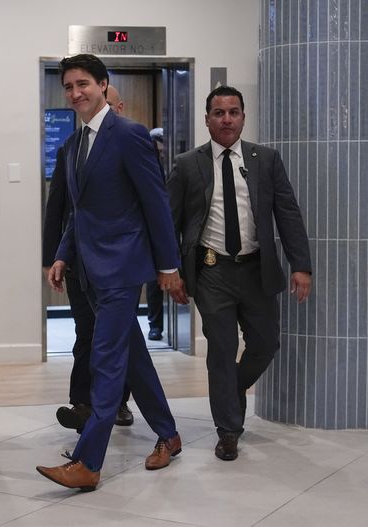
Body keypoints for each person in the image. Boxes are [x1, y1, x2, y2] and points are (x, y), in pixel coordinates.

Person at [37, 55, 182, 492]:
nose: (76, 93)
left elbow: (155, 204)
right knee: (132, 356)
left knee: (106, 360)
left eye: (83, 84)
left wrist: (168, 267)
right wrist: (62, 253)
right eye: (68, 86)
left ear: (103, 85)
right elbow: (77, 211)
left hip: (122, 268)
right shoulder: (74, 142)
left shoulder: (129, 135)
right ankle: (169, 434)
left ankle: (88, 462)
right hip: (88, 269)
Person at [167, 85, 312, 461]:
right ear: (207, 119)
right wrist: (170, 272)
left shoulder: (266, 159)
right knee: (222, 351)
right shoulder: (187, 164)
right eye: (219, 113)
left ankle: (229, 393)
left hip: (257, 270)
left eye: (233, 112)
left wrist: (301, 266)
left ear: (243, 117)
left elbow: (288, 214)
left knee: (266, 344)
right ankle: (228, 429)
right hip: (212, 270)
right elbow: (170, 223)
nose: (226, 119)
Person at [43, 85, 133, 434]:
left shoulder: (131, 143)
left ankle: (119, 402)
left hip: (119, 264)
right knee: (87, 334)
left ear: (118, 107)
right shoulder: (71, 148)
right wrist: (53, 257)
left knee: (117, 338)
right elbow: (60, 208)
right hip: (80, 261)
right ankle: (83, 403)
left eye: (107, 105)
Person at [145, 127, 167, 341]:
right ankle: (155, 325)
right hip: (147, 233)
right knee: (152, 283)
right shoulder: (147, 165)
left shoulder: (175, 166)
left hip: (169, 229)